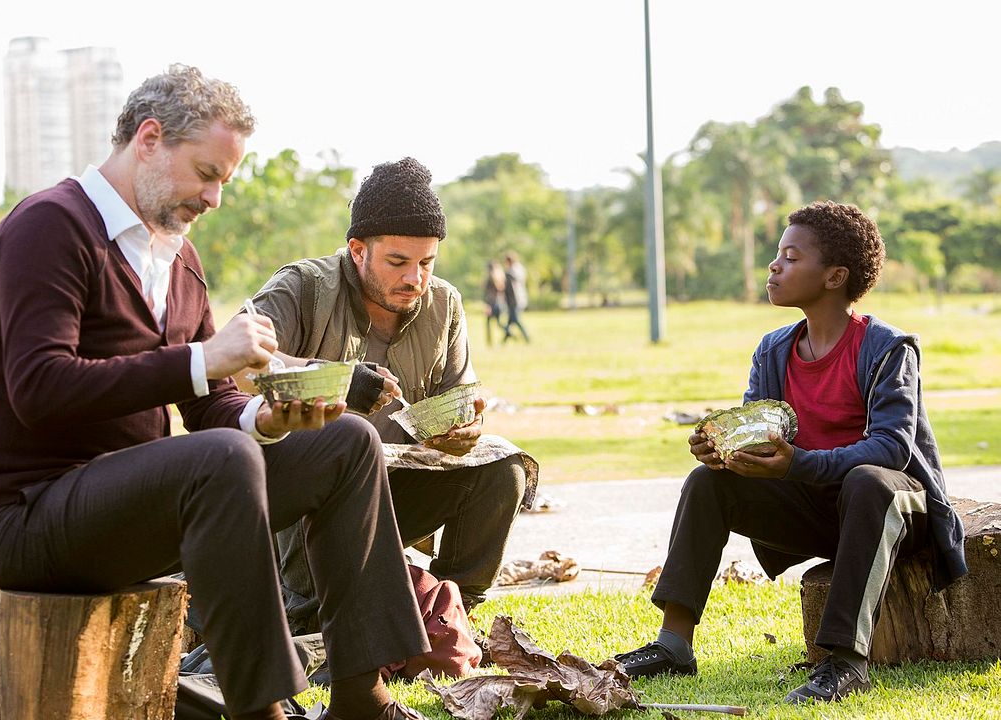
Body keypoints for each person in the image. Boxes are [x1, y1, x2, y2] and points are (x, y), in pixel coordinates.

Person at [0, 65, 430, 720]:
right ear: (149, 139)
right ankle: (261, 710)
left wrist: (268, 415)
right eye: (207, 174)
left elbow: (209, 406)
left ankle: (361, 698)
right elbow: (39, 387)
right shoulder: (50, 227)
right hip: (26, 516)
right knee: (218, 461)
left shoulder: (178, 256)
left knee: (344, 442)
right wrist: (203, 357)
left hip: (132, 509)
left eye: (224, 181)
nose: (215, 199)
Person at [613, 201, 966, 704]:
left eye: (791, 257)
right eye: (777, 255)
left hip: (894, 513)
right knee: (708, 483)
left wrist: (799, 463)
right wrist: (725, 451)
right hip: (817, 507)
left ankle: (846, 661)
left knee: (869, 479)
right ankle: (674, 645)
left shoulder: (888, 347)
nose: (774, 266)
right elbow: (760, 432)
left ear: (834, 276)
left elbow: (893, 447)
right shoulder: (774, 348)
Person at [249, 157, 538, 634]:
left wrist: (464, 430)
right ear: (357, 250)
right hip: (306, 492)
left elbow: (460, 399)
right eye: (398, 263)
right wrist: (336, 379)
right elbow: (242, 364)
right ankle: (306, 614)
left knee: (503, 467)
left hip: (396, 484)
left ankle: (450, 615)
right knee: (316, 619)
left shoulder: (444, 303)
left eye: (426, 263)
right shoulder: (302, 286)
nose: (414, 280)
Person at [502, 250, 530, 343]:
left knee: (516, 320)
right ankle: (505, 340)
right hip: (519, 298)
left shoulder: (512, 272)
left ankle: (527, 338)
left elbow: (512, 287)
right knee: (510, 321)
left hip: (515, 300)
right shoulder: (519, 269)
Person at [483, 260, 507, 346]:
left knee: (489, 324)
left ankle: (490, 342)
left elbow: (489, 294)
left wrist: (488, 305)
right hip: (500, 303)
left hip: (492, 304)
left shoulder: (490, 278)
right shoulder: (501, 277)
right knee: (499, 323)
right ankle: (508, 332)